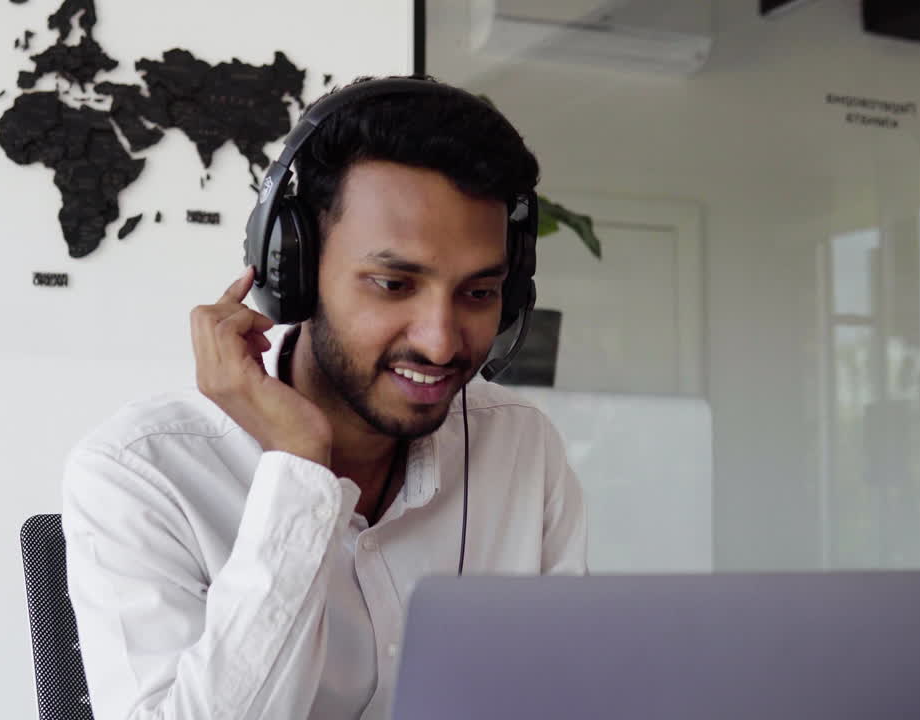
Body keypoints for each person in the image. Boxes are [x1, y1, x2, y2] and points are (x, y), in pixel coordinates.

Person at [61, 75, 587, 720]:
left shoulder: (520, 443)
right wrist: (300, 473)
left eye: (478, 293)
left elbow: (560, 692)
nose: (442, 342)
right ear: (294, 270)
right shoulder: (143, 469)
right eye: (394, 284)